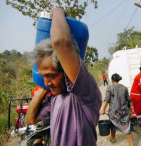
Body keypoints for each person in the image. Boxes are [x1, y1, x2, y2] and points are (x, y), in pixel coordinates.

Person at [25, 8, 102, 146]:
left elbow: (61, 42)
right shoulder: (55, 100)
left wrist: (57, 11)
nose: (47, 82)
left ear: (66, 70)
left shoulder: (84, 93)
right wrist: (43, 87)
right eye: (43, 76)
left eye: (51, 75)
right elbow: (29, 120)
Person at [101, 73, 134, 146]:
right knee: (126, 126)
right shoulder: (124, 88)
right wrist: (132, 107)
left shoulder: (110, 88)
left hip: (114, 112)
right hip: (124, 111)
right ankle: (131, 143)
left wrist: (103, 109)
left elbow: (107, 100)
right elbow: (128, 99)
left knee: (113, 123)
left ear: (112, 80)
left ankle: (113, 138)